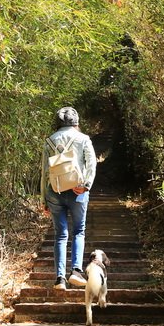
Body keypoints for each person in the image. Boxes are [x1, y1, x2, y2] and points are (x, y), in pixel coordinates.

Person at [41, 106, 97, 290]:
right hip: (77, 191)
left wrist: (43, 199)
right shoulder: (83, 139)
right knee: (79, 231)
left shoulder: (49, 141)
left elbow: (44, 173)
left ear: (57, 123)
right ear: (77, 123)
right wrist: (86, 185)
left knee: (60, 235)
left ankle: (60, 279)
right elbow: (91, 164)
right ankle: (76, 271)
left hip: (54, 191)